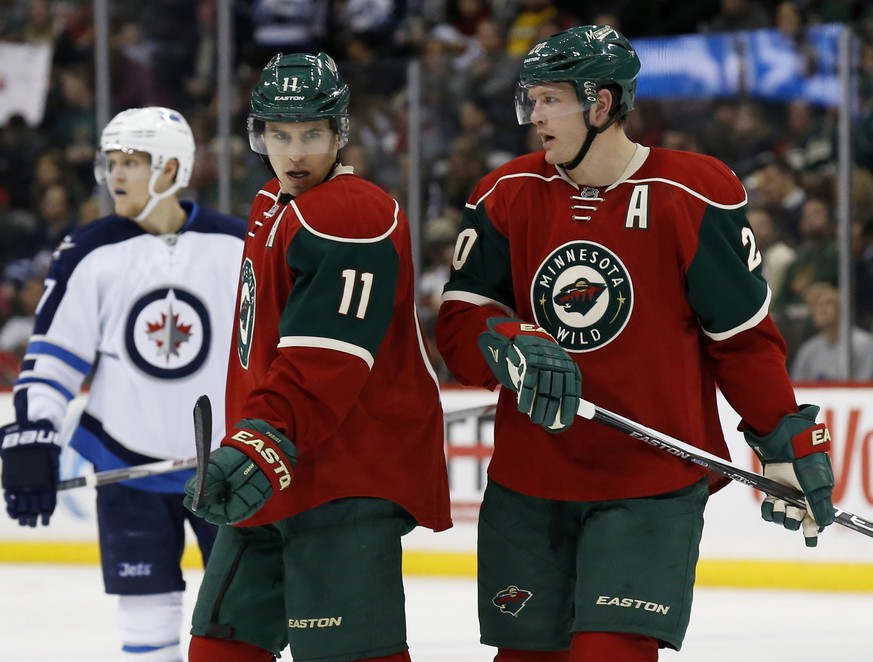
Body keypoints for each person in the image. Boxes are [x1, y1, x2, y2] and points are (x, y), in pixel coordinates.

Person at [434, 25, 836, 662]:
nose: (534, 116)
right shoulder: (505, 192)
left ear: (601, 104)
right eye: (530, 101)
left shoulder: (694, 193)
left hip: (649, 483)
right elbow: (458, 322)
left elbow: (741, 342)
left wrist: (781, 432)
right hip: (531, 480)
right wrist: (505, 343)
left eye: (550, 101)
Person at [183, 52, 452, 662]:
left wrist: (260, 439)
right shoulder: (274, 206)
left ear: (339, 134)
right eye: (280, 134)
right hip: (278, 464)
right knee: (219, 647)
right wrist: (251, 438)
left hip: (343, 478)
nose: (295, 152)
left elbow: (324, 361)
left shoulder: (349, 215)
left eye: (311, 134)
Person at [0, 106, 247, 662]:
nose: (116, 175)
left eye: (132, 162)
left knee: (241, 618)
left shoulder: (239, 246)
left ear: (172, 168)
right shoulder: (87, 250)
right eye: (112, 162)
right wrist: (34, 430)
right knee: (145, 611)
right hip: (123, 462)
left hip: (229, 468)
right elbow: (53, 358)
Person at [790, 281, 873, 382]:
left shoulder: (864, 345)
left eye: (827, 304)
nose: (820, 309)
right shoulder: (808, 350)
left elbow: (863, 389)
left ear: (841, 307)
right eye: (814, 305)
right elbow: (797, 388)